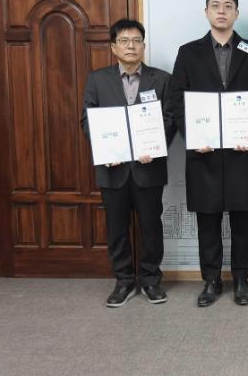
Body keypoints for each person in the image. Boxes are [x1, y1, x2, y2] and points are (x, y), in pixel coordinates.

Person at [168, 0, 248, 307]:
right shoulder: (189, 52)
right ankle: (211, 280)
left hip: (242, 153)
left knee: (243, 220)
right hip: (204, 154)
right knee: (208, 221)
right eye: (215, 5)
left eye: (228, 6)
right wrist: (194, 137)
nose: (221, 11)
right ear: (206, 12)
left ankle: (241, 279)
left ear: (236, 13)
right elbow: (176, 99)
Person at [81, 18, 175, 307]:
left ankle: (150, 280)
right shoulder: (97, 80)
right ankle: (123, 281)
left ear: (143, 46)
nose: (131, 46)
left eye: (136, 41)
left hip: (149, 168)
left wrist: (155, 147)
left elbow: (170, 119)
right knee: (117, 229)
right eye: (124, 41)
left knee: (151, 227)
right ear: (113, 47)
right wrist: (107, 150)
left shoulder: (162, 79)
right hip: (113, 170)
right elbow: (88, 120)